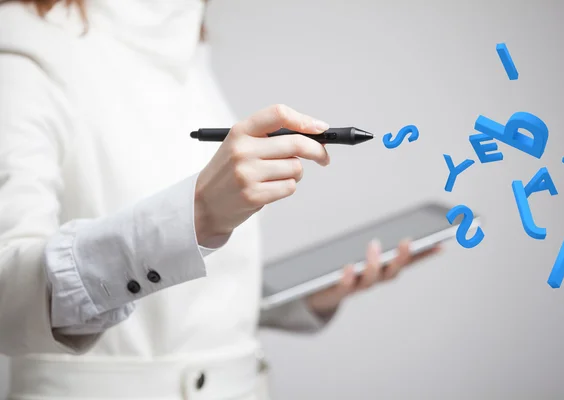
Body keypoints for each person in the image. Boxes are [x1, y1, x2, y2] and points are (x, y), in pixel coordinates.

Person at [0, 0, 441, 399]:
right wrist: (196, 214)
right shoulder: (22, 47)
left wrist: (303, 298)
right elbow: (8, 296)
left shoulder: (186, 44)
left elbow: (178, 301)